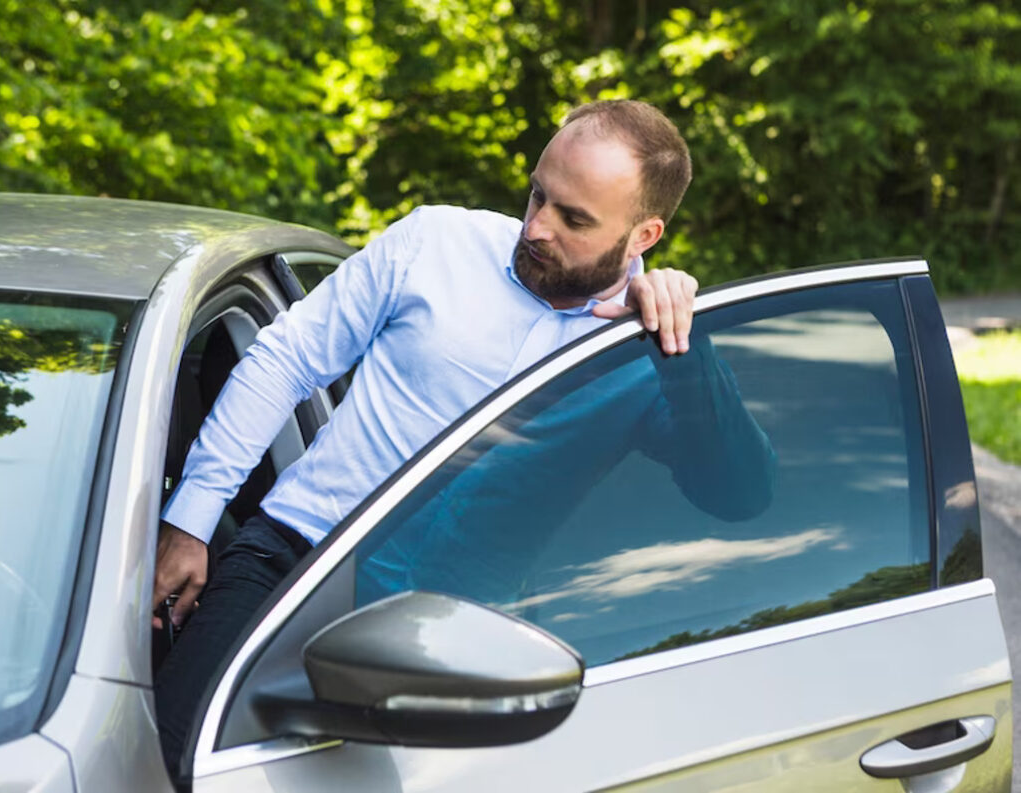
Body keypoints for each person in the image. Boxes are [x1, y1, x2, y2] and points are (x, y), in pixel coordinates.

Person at [152, 99, 708, 771]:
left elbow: (736, 490)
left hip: (462, 640)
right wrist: (190, 522)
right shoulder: (435, 242)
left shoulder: (646, 355)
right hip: (286, 565)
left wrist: (690, 355)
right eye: (537, 194)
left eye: (573, 218)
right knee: (161, 764)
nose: (536, 226)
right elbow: (284, 360)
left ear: (644, 235)